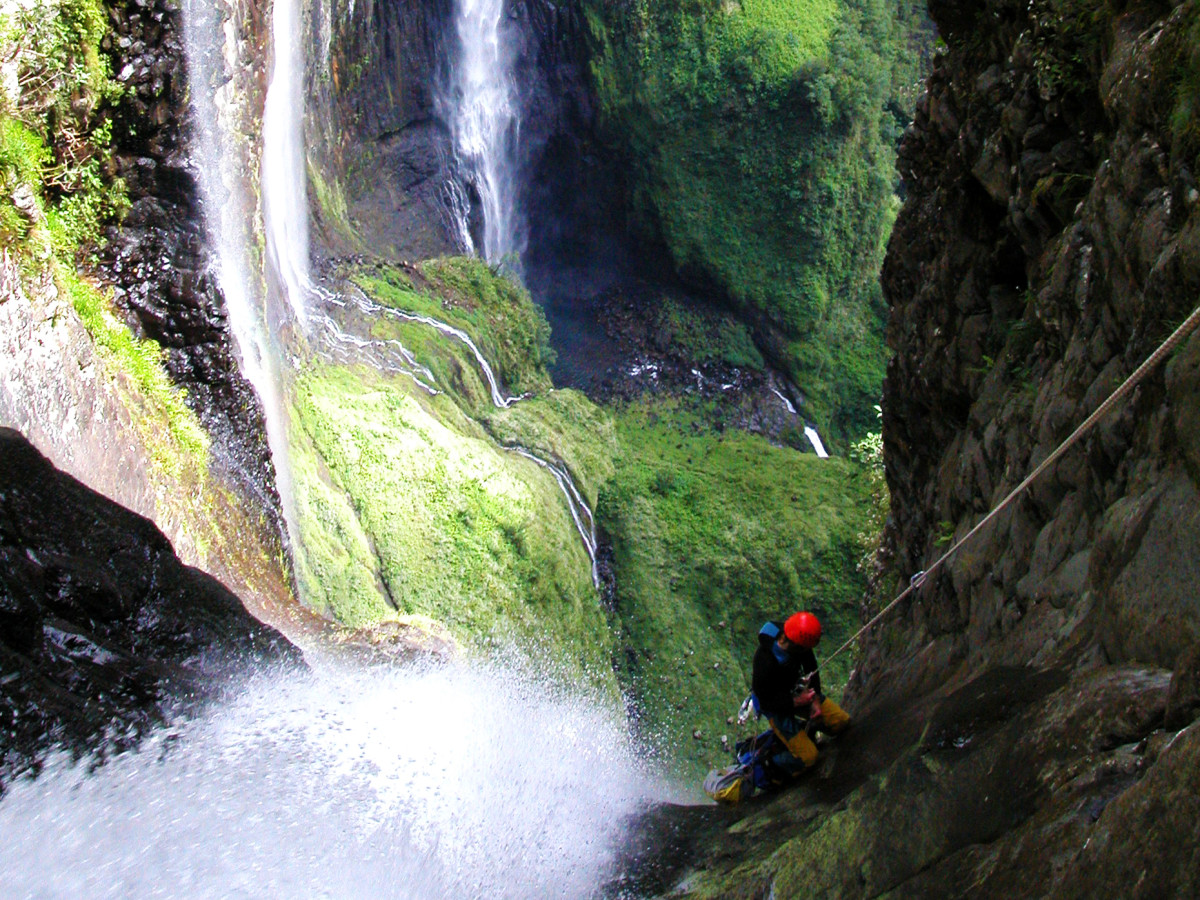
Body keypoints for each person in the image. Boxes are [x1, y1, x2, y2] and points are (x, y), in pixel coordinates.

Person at [750, 611, 851, 775]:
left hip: (796, 692)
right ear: (797, 645)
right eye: (806, 649)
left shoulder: (798, 642)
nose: (807, 651)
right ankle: (769, 762)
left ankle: (804, 732)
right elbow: (765, 701)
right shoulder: (764, 660)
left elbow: (812, 669)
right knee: (808, 758)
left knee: (840, 722)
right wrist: (797, 702)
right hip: (774, 706)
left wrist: (815, 701)